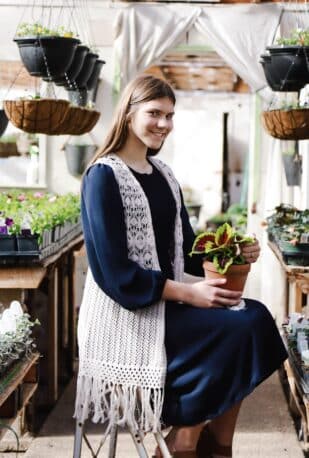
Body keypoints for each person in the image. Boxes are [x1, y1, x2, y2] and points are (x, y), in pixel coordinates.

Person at [74, 74, 287, 458]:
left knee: (255, 317)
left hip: (165, 305)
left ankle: (217, 445)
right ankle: (185, 441)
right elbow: (115, 274)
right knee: (235, 330)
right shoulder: (103, 177)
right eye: (154, 113)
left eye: (170, 116)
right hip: (126, 317)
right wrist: (190, 293)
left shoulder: (164, 176)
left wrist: (235, 252)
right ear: (128, 113)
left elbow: (186, 251)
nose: (164, 124)